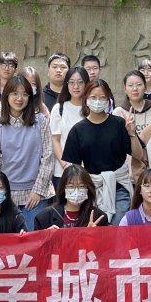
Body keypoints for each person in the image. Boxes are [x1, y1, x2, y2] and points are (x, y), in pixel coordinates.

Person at [62, 79, 140, 225]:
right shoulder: (77, 130)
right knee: (96, 232)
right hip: (93, 190)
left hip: (120, 188)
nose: (97, 101)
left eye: (102, 97)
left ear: (108, 99)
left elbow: (138, 155)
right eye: (93, 97)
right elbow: (75, 168)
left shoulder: (119, 124)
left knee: (116, 230)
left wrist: (132, 133)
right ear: (86, 98)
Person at [0, 76, 55, 231]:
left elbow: (48, 157)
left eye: (24, 94)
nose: (19, 98)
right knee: (8, 242)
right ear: (6, 96)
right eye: (15, 93)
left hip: (35, 193)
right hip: (5, 195)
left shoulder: (41, 121)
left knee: (32, 240)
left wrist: (37, 191)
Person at [34, 164, 111, 229]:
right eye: (71, 186)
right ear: (63, 188)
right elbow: (36, 242)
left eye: (81, 186)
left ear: (88, 188)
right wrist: (47, 236)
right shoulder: (45, 217)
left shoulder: (99, 218)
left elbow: (105, 242)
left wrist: (92, 235)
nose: (76, 191)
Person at [50, 67, 89, 188]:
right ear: (66, 84)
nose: (76, 86)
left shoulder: (92, 109)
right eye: (71, 82)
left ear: (86, 84)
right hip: (63, 172)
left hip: (88, 172)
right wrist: (65, 166)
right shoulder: (59, 109)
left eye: (80, 82)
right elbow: (55, 140)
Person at [113, 70, 151, 139]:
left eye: (139, 84)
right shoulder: (118, 112)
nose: (135, 89)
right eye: (130, 85)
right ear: (125, 88)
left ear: (145, 87)